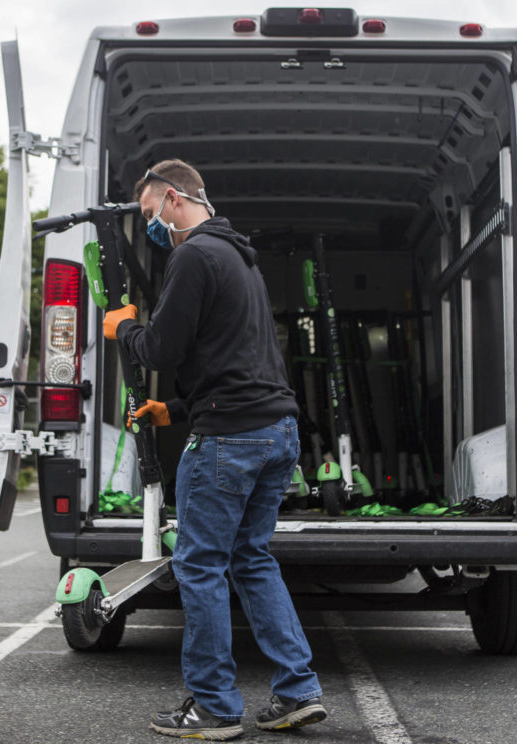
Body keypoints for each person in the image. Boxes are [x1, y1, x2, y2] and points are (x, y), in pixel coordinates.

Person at [103, 159, 326, 740]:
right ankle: (297, 692)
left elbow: (162, 348)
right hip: (276, 431)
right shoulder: (240, 260)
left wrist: (122, 328)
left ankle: (213, 708)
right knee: (251, 559)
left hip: (229, 438)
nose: (154, 228)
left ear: (175, 198)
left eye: (153, 215)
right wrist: (173, 410)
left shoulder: (194, 254)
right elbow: (237, 360)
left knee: (200, 565)